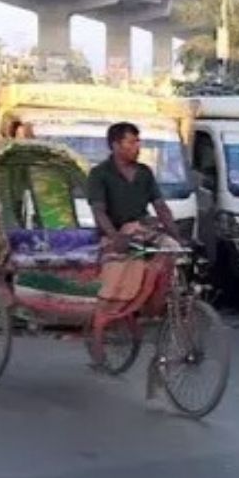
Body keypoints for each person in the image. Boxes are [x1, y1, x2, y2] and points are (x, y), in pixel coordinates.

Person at [86, 123, 182, 347]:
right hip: (116, 234)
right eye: (131, 142)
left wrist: (177, 235)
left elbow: (160, 207)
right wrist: (115, 237)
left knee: (171, 250)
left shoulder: (144, 172)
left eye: (138, 142)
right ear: (115, 145)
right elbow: (98, 211)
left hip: (141, 230)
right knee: (119, 276)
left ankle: (152, 306)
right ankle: (103, 325)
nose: (137, 147)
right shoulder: (99, 174)